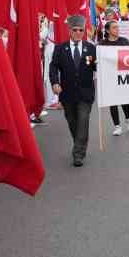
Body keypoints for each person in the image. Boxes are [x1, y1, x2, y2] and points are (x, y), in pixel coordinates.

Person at [49, 15, 96, 166]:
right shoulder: (61, 48)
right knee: (72, 122)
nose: (78, 32)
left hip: (85, 93)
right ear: (69, 31)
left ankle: (78, 153)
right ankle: (80, 142)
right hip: (67, 94)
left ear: (84, 32)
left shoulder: (91, 48)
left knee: (83, 120)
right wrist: (55, 82)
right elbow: (53, 67)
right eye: (75, 30)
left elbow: (96, 66)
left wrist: (101, 63)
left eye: (80, 30)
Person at [96, 20, 129, 135]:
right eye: (114, 28)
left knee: (124, 101)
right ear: (108, 30)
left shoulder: (124, 41)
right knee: (112, 101)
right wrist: (95, 63)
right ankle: (117, 126)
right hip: (109, 77)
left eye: (118, 27)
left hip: (122, 77)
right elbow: (95, 59)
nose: (117, 29)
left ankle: (128, 119)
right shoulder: (102, 44)